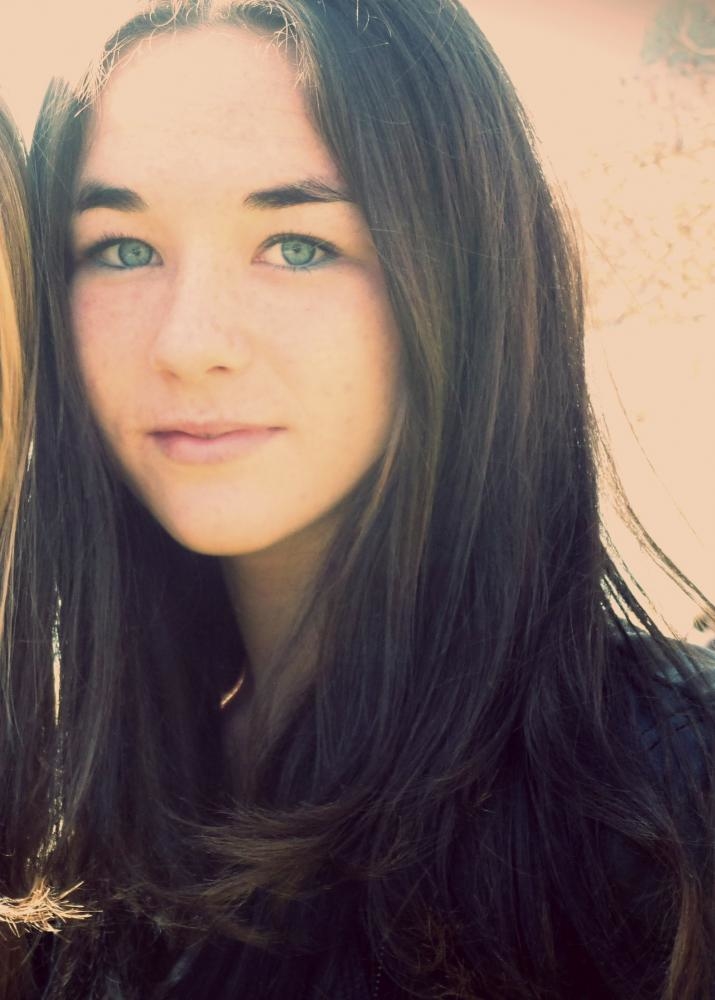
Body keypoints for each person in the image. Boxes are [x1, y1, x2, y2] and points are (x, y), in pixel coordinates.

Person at [20, 1, 715, 997]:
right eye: (123, 247)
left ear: (463, 281)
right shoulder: (66, 808)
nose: (188, 341)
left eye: (297, 243)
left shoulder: (667, 799)